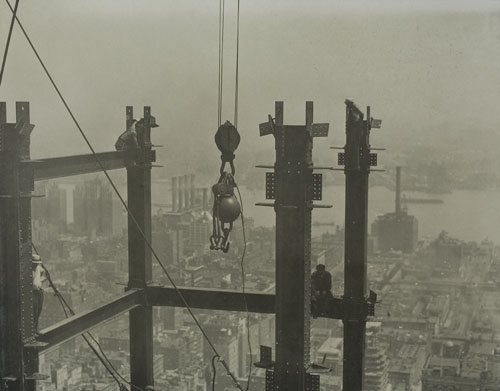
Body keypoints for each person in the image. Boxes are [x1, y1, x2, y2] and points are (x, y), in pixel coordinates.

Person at [32, 254, 45, 333]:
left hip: (39, 291)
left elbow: (45, 275)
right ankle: (33, 330)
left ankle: (35, 329)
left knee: (38, 310)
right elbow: (34, 284)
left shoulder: (39, 268)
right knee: (34, 311)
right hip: (33, 292)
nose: (36, 265)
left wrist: (41, 280)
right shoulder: (29, 271)